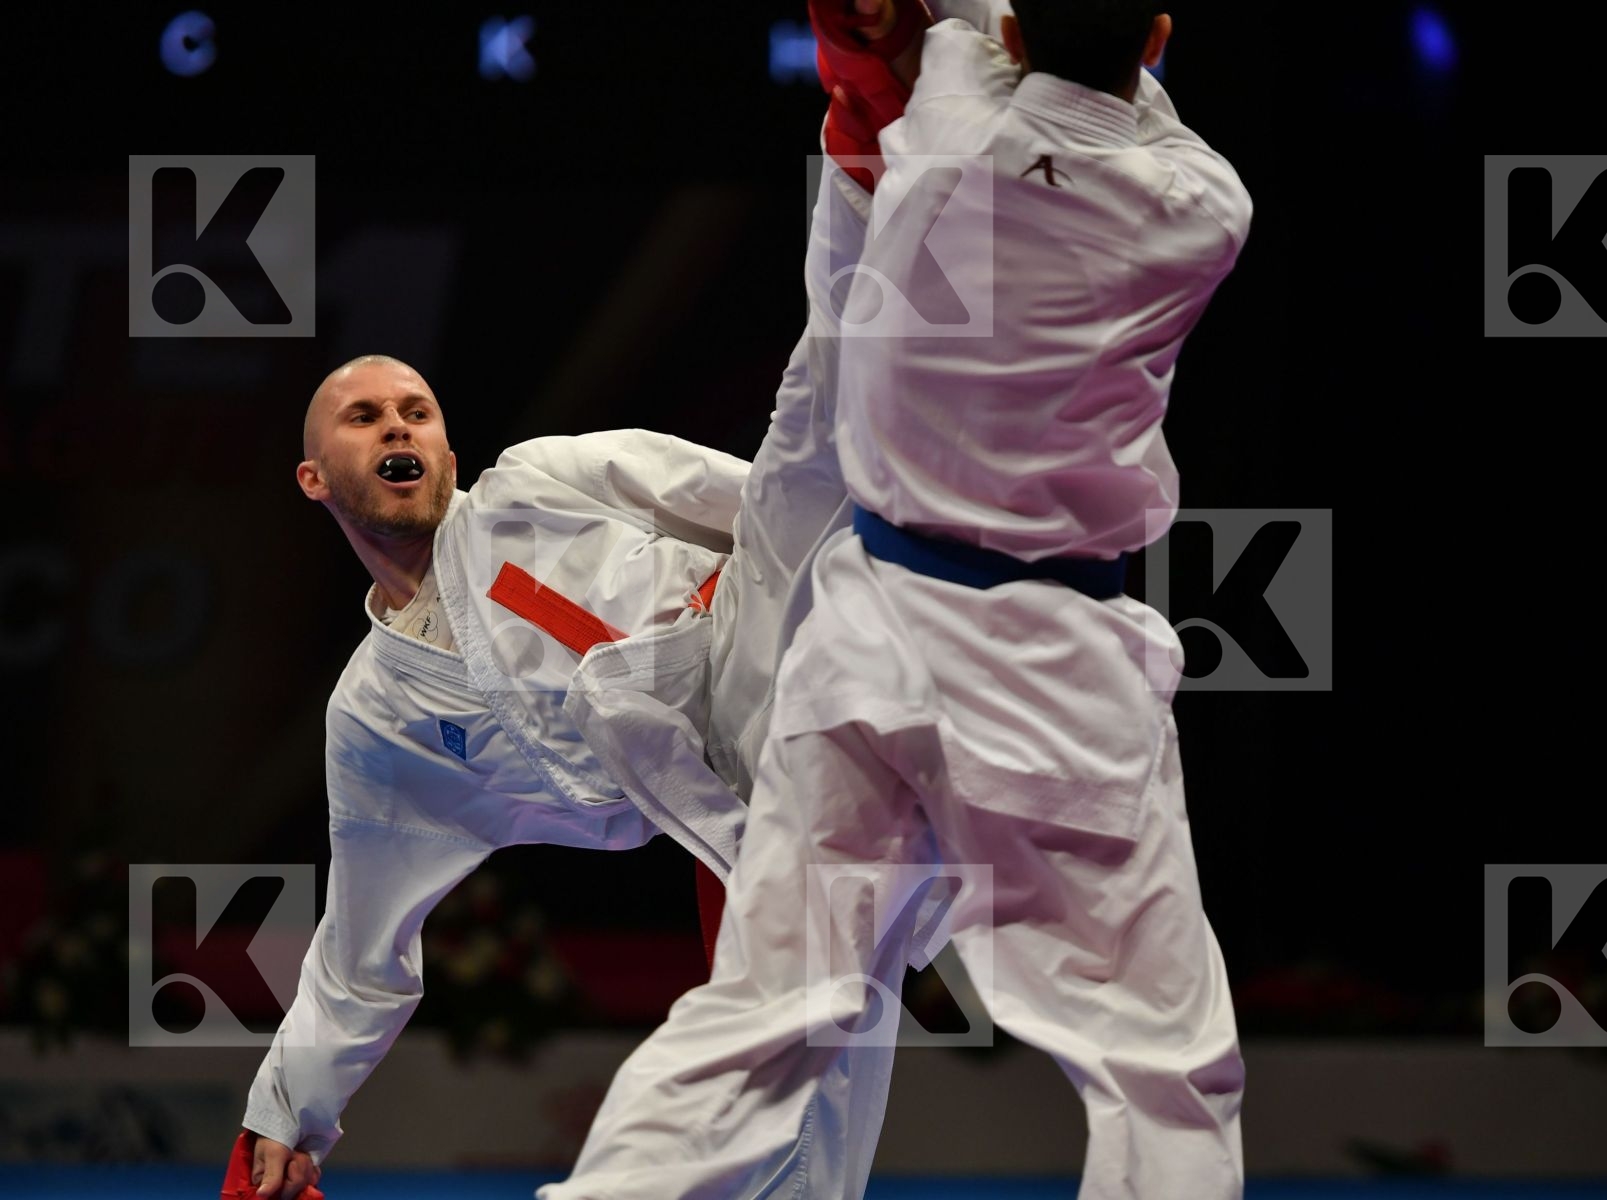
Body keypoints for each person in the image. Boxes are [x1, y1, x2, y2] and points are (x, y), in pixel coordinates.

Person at [540, 0, 1253, 1197]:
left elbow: (922, 41)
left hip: (871, 635)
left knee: (759, 1019)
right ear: (1158, 37)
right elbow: (1108, 98)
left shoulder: (950, 117)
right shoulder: (1203, 205)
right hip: (1052, 664)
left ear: (1013, 36)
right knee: (1159, 1066)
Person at [225, 120, 885, 1196]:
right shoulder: (381, 720)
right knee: (805, 1104)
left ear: (448, 449)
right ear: (314, 477)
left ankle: (868, 144)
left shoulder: (541, 480)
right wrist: (287, 1113)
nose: (398, 426)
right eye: (364, 416)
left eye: (417, 411)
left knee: (819, 426)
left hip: (772, 640)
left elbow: (760, 502)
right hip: (741, 809)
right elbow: (358, 953)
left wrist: (893, 563)